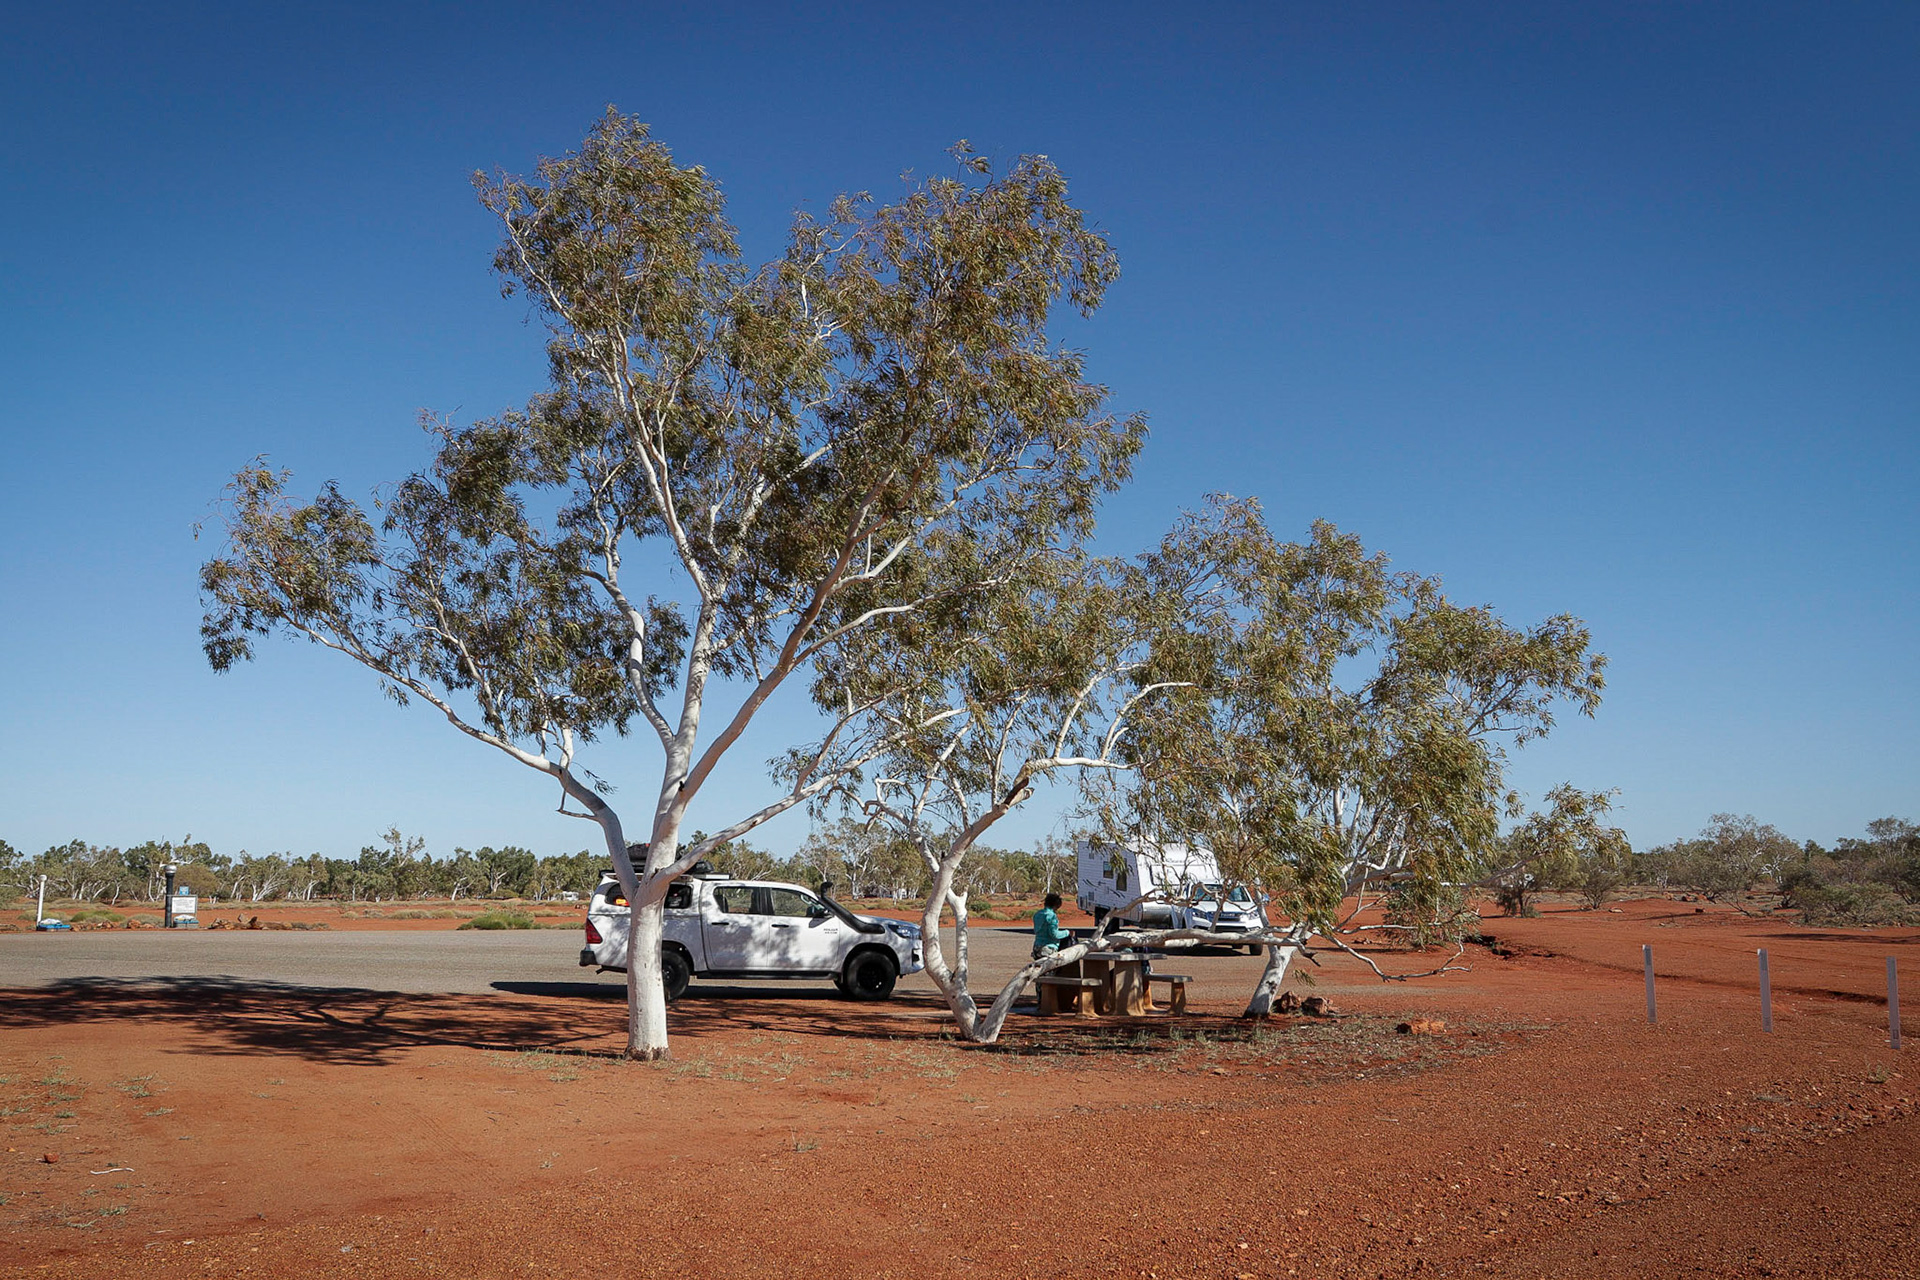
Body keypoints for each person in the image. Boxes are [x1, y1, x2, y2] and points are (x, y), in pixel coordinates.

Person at [1032, 892, 1075, 960]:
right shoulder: (1051, 916)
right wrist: (1067, 932)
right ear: (1056, 905)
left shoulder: (1038, 914)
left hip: (1037, 947)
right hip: (1048, 949)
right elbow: (1054, 934)